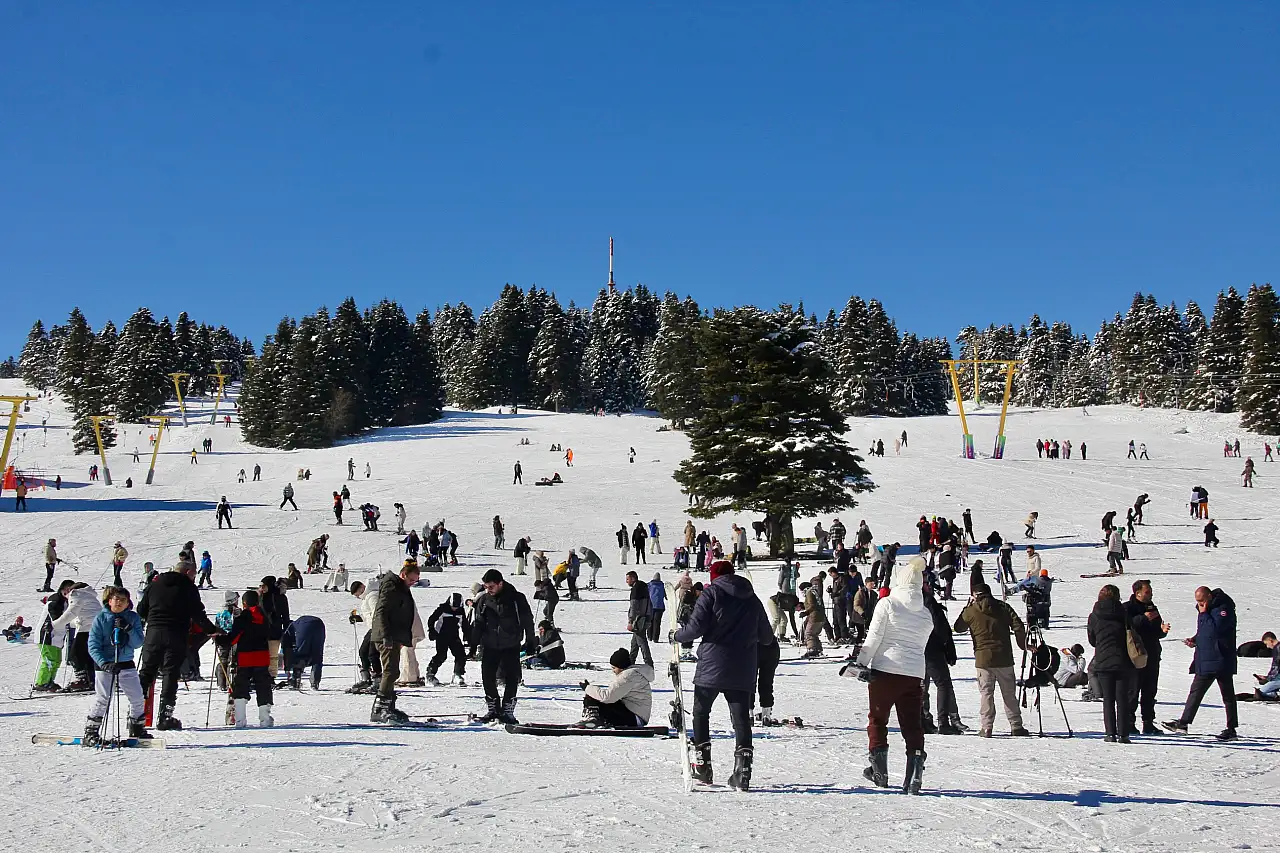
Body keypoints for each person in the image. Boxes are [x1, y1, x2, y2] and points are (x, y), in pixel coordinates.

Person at [674, 560, 772, 791]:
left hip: (712, 664)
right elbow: (767, 636)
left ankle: (703, 765)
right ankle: (742, 771)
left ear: (713, 575)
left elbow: (695, 628)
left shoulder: (711, 594)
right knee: (740, 718)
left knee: (701, 712)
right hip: (743, 666)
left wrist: (677, 635)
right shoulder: (752, 598)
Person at [855, 557, 933, 791]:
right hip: (914, 674)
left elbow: (874, 637)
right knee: (912, 724)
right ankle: (915, 774)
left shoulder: (887, 603)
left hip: (885, 671)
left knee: (878, 720)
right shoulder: (925, 614)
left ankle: (880, 771)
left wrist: (860, 663)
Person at [137, 564, 221, 730]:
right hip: (176, 634)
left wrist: (153, 619)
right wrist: (211, 630)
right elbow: (198, 613)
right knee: (170, 673)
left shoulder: (155, 584)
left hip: (153, 633)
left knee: (146, 672)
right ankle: (164, 717)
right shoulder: (188, 587)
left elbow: (141, 609)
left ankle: (136, 716)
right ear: (188, 572)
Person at [952, 583, 1030, 737]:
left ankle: (987, 727)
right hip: (1004, 657)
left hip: (983, 660)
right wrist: (1023, 645)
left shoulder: (971, 611)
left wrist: (966, 608)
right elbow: (1019, 626)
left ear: (975, 595)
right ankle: (1016, 726)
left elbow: (958, 627)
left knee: (986, 694)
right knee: (1009, 694)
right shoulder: (1003, 607)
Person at [1164, 586, 1238, 740]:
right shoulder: (1207, 609)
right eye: (1197, 602)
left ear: (1210, 596)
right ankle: (1183, 723)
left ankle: (1231, 729)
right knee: (1195, 692)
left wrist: (1203, 614)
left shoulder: (1224, 608)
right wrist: (1195, 640)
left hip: (1221, 658)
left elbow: (1216, 630)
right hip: (1206, 659)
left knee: (1228, 695)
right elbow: (1205, 631)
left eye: (1202, 600)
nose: (1199, 604)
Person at [82, 587, 149, 746]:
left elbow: (138, 642)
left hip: (126, 662)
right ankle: (91, 731)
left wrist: (129, 629)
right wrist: (104, 663)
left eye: (123, 600)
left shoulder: (133, 618)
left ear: (128, 603)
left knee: (137, 697)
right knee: (103, 698)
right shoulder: (101, 618)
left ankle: (137, 728)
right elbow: (93, 645)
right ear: (109, 601)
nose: (119, 602)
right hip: (105, 664)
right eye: (116, 599)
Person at [471, 569, 536, 724]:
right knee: (487, 678)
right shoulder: (484, 600)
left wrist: (531, 641)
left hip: (511, 644)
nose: (489, 590)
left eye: (491, 586)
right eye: (486, 587)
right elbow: (478, 624)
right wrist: (473, 645)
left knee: (512, 678)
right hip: (490, 645)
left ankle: (507, 711)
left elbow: (528, 620)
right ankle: (493, 709)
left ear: (500, 583)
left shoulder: (516, 599)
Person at [369, 561, 420, 724]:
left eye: (415, 581)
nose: (413, 583)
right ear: (403, 575)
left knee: (393, 672)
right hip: (387, 636)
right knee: (390, 671)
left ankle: (388, 706)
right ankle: (380, 709)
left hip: (394, 636)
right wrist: (386, 635)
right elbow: (382, 610)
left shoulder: (400, 587)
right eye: (411, 580)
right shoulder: (392, 586)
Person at [1087, 584, 1137, 743]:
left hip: (1103, 660)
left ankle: (1110, 733)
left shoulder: (1094, 615)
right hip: (1123, 660)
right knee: (1122, 698)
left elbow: (1092, 640)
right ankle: (1124, 734)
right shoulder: (1123, 613)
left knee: (1108, 699)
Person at [218, 590, 275, 728]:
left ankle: (240, 720)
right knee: (263, 686)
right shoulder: (264, 616)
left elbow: (234, 638)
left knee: (241, 686)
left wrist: (219, 639)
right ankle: (265, 719)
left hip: (245, 657)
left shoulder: (243, 617)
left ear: (244, 603)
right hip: (261, 656)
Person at [1125, 579, 1169, 734]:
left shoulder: (1152, 607)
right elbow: (1127, 626)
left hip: (1152, 654)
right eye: (1147, 591)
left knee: (1150, 691)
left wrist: (1162, 630)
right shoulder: (1128, 608)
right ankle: (1129, 722)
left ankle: (1148, 722)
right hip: (1136, 656)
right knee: (1133, 690)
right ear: (1137, 593)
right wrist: (1144, 618)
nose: (1151, 594)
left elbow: (1155, 631)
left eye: (1150, 591)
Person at [580, 648, 654, 728]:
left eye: (614, 668)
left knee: (596, 697)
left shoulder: (628, 676)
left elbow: (608, 697)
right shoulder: (632, 674)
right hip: (635, 715)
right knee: (596, 696)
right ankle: (594, 718)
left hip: (634, 718)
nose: (613, 671)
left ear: (621, 667)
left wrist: (587, 688)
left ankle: (594, 719)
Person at [33, 580, 76, 691]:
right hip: (47, 634)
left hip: (57, 636)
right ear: (61, 589)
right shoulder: (56, 600)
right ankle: (41, 682)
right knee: (50, 660)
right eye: (66, 589)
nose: (68, 592)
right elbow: (56, 617)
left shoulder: (68, 602)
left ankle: (49, 681)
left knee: (56, 660)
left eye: (71, 589)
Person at [425, 593, 469, 687]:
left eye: (457, 607)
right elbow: (431, 619)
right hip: (441, 636)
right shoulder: (443, 608)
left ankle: (457, 674)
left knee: (460, 654)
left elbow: (464, 625)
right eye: (453, 606)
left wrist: (468, 636)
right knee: (441, 655)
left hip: (454, 636)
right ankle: (430, 674)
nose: (455, 609)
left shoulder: (460, 611)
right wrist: (432, 630)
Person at [257, 575, 291, 678]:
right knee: (261, 655)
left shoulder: (280, 598)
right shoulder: (259, 597)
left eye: (263, 586)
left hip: (274, 631)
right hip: (260, 631)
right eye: (260, 586)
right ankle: (260, 676)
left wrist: (286, 629)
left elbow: (285, 615)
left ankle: (271, 676)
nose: (261, 588)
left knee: (273, 656)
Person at [281, 615, 326, 690]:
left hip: (306, 627)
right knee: (317, 654)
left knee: (300, 653)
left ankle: (296, 680)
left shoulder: (289, 629)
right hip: (319, 625)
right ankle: (315, 682)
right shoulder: (295, 625)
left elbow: (286, 647)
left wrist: (287, 666)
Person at [625, 570, 653, 666]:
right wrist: (649, 618)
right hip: (645, 618)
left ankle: (649, 663)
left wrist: (630, 621)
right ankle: (630, 661)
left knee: (642, 642)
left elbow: (634, 607)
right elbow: (649, 604)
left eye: (628, 579)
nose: (627, 581)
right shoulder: (644, 588)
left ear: (633, 578)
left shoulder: (635, 590)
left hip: (638, 621)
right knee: (635, 643)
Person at [798, 579, 826, 658]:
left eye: (802, 590)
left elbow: (812, 605)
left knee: (809, 633)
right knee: (814, 634)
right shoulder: (815, 592)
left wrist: (806, 612)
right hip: (821, 616)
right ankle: (818, 650)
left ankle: (812, 650)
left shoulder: (809, 593)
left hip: (815, 617)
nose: (802, 593)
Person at [1253, 633, 1280, 699]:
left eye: (1266, 644)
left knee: (1260, 693)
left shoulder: (1278, 649)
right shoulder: (1277, 648)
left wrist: (1267, 679)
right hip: (1277, 677)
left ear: (1270, 640)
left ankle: (1275, 695)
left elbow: (1276, 667)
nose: (1267, 646)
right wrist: (1266, 677)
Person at [648, 572, 666, 642]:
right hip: (660, 606)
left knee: (650, 621)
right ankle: (655, 638)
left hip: (651, 606)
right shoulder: (662, 585)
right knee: (657, 623)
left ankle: (649, 636)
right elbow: (665, 595)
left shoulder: (649, 585)